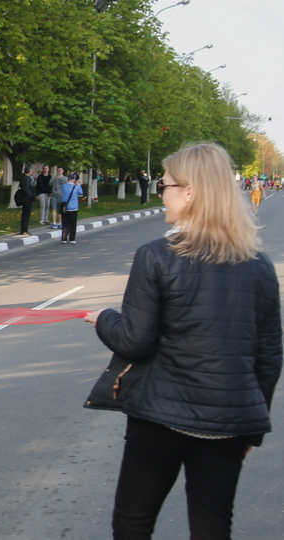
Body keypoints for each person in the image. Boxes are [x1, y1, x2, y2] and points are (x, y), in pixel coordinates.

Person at [84, 143, 281, 540]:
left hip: (160, 417)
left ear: (189, 192)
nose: (161, 192)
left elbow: (135, 341)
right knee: (212, 527)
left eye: (165, 184)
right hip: (230, 421)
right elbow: (270, 355)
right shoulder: (259, 265)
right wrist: (251, 431)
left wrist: (103, 319)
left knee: (133, 523)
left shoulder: (157, 256)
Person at [60, 174, 82, 244]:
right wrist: (78, 185)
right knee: (73, 224)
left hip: (65, 208)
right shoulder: (76, 187)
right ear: (74, 179)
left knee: (65, 223)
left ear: (68, 179)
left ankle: (64, 238)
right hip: (73, 208)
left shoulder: (63, 186)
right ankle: (72, 239)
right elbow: (81, 192)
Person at [18, 166, 35, 236]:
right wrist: (31, 195)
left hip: (27, 199)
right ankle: (24, 230)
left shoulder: (26, 178)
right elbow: (26, 189)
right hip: (27, 199)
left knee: (26, 214)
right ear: (30, 172)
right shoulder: (25, 179)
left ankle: (24, 229)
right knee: (26, 215)